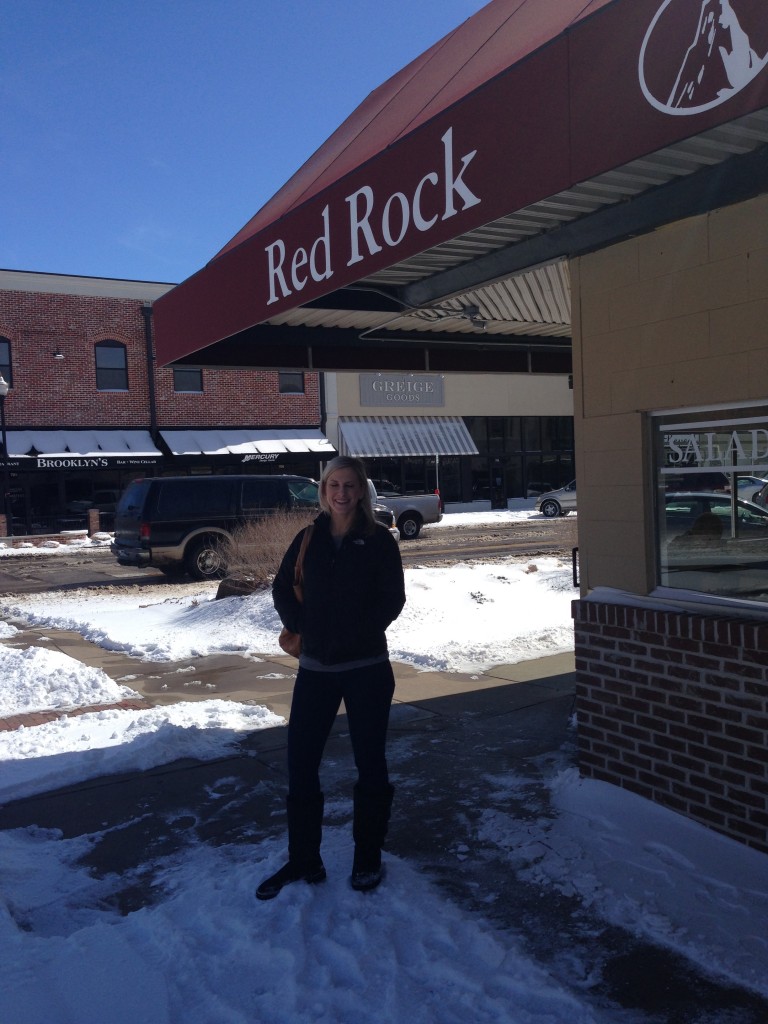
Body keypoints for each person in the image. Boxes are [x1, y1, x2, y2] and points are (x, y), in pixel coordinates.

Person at [256, 455, 406, 900]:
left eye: (350, 486)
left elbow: (391, 601)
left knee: (370, 764)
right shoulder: (308, 539)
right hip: (316, 672)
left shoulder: (379, 541)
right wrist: (302, 625)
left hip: (367, 671)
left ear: (362, 491)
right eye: (333, 485)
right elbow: (282, 586)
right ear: (324, 490)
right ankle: (305, 858)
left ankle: (368, 856)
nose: (341, 494)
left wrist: (352, 633)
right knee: (301, 765)